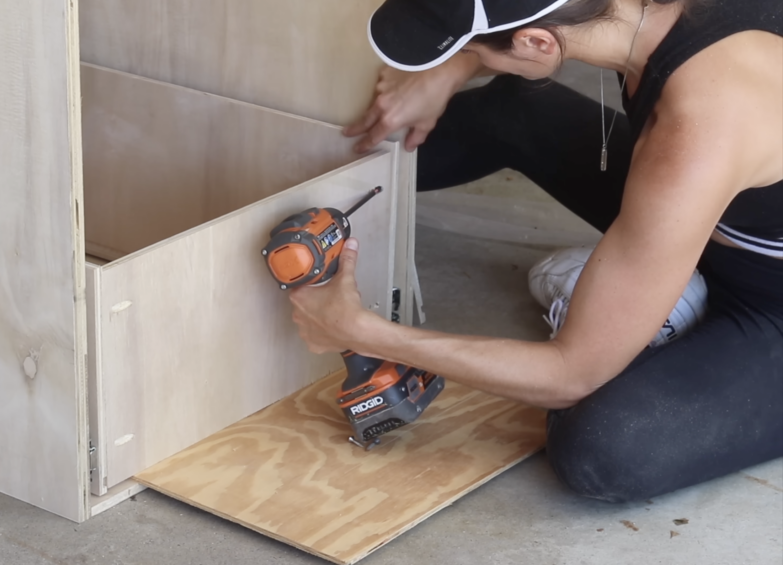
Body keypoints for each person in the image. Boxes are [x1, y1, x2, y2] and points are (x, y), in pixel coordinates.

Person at [288, 0, 782, 502]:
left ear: (536, 43)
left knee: (604, 449)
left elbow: (571, 373)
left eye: (469, 48)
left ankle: (658, 304)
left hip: (768, 293)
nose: (458, 58)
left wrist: (364, 332)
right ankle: (303, 198)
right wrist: (452, 68)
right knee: (513, 109)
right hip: (719, 205)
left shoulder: (697, 129)